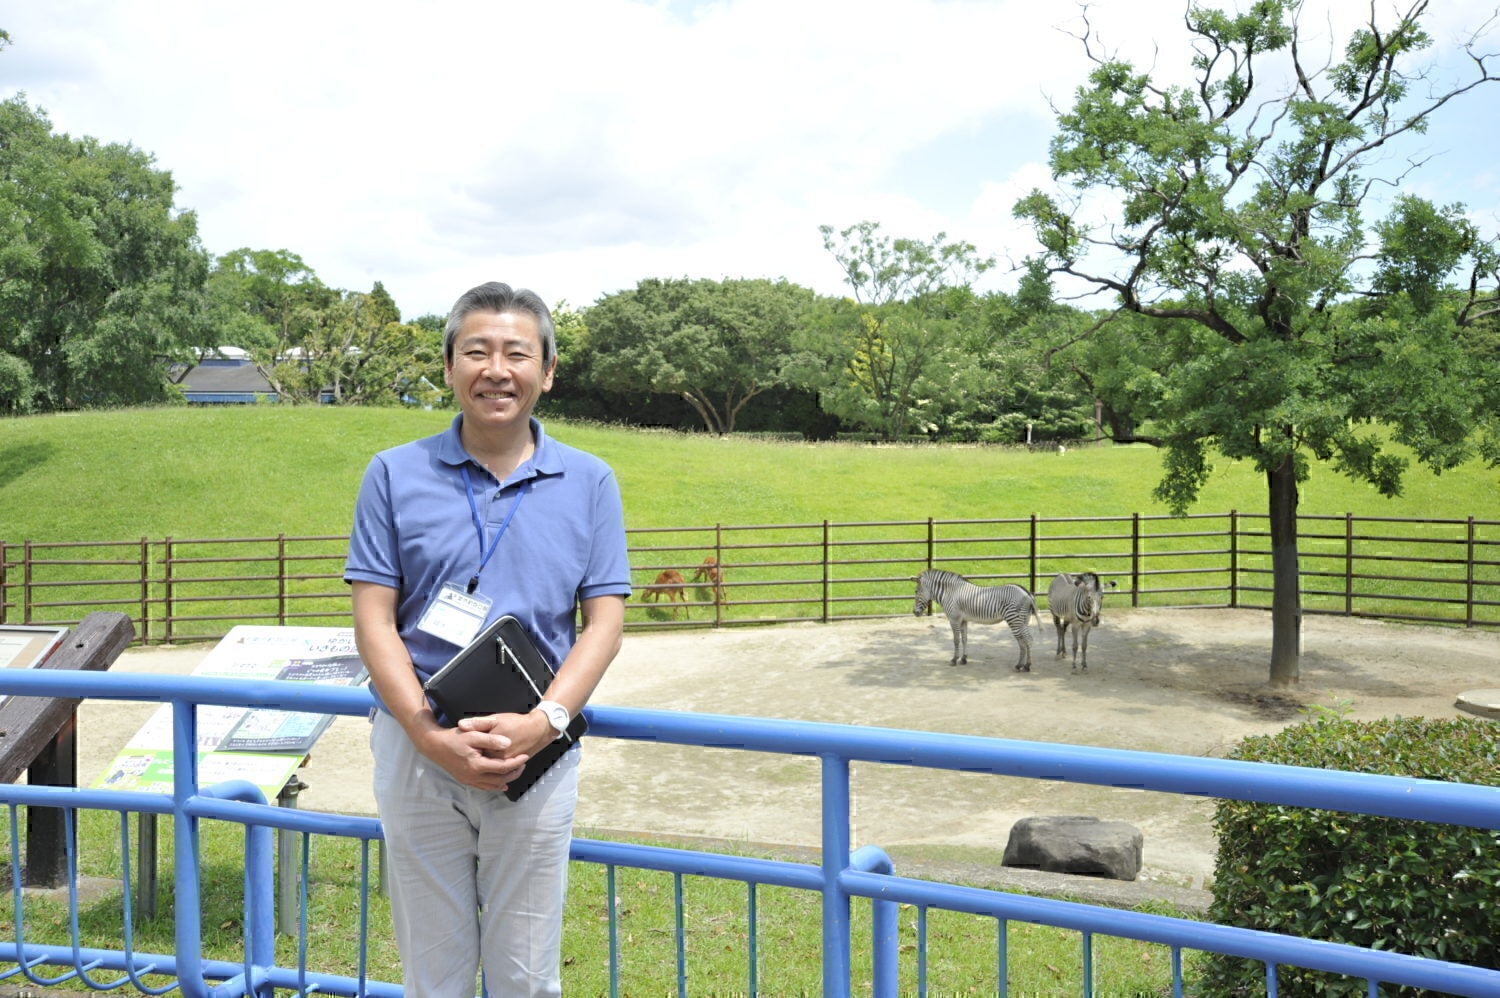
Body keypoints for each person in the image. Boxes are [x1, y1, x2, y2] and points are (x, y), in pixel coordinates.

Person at [343, 281, 631, 997]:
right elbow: (374, 618)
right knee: (432, 972)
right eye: (476, 352)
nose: (496, 370)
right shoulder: (394, 472)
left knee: (526, 974)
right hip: (417, 745)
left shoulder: (590, 481)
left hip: (534, 751)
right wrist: (425, 733)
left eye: (517, 354)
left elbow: (605, 622)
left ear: (548, 371)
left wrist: (546, 722)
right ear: (449, 367)